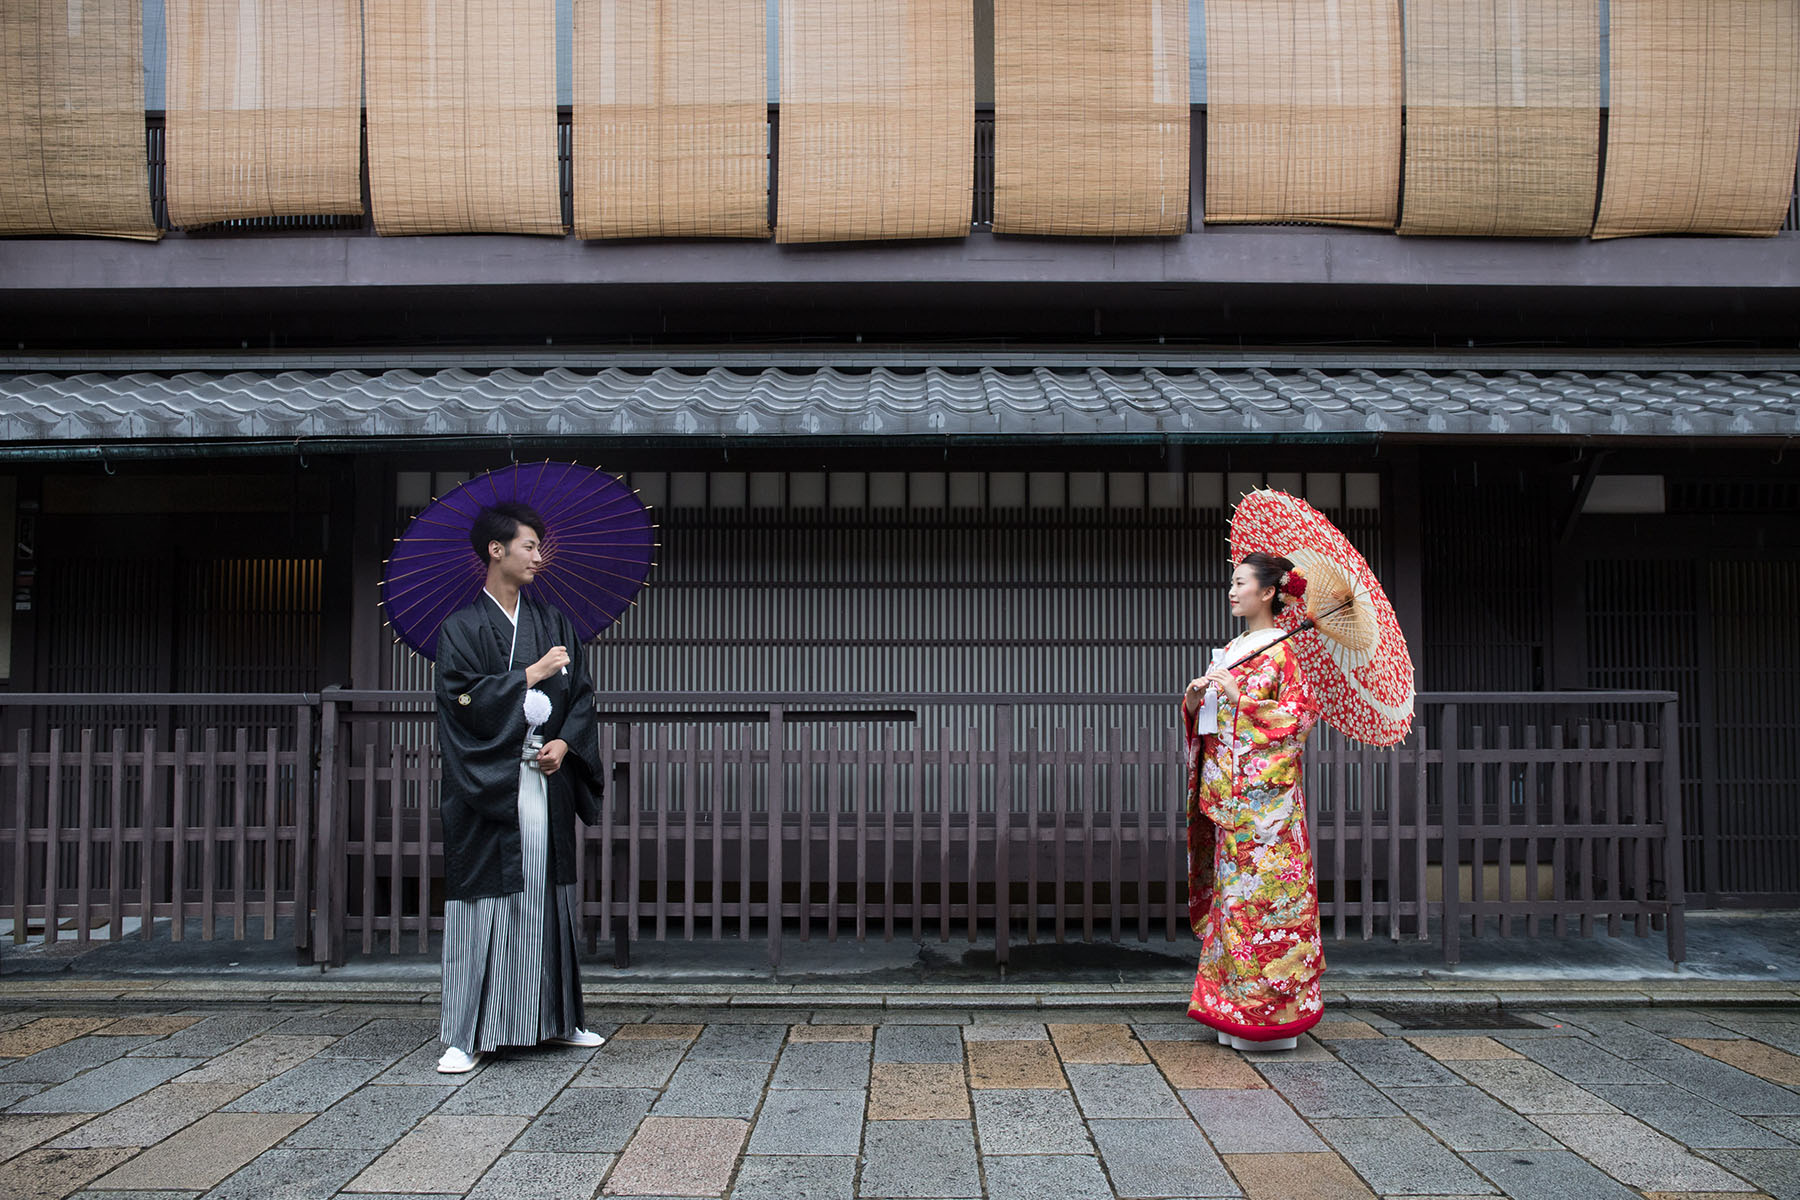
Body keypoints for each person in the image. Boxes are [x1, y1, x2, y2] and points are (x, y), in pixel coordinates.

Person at [434, 501, 608, 1073]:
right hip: (488, 782)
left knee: (546, 893)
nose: (539, 557)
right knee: (486, 902)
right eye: (529, 546)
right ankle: (466, 1034)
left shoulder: (553, 623)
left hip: (545, 777)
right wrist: (527, 677)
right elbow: (458, 702)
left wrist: (565, 744)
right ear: (496, 550)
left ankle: (558, 1020)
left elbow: (579, 697)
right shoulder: (460, 629)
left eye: (538, 547)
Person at [1180, 552, 1324, 1052]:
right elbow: (1213, 729)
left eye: (1239, 583)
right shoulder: (1233, 648)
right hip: (1228, 805)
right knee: (1232, 909)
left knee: (1267, 911)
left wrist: (1241, 698)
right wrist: (1198, 702)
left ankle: (1269, 1019)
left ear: (1267, 593)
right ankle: (1229, 1010)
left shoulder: (1284, 654)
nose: (1231, 590)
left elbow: (1298, 722)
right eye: (1231, 582)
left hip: (1269, 818)